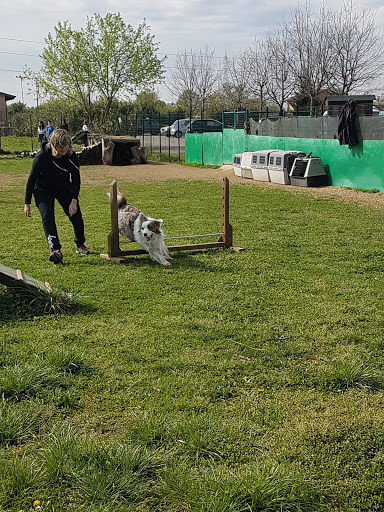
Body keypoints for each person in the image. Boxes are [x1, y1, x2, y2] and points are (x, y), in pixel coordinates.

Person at [24, 129, 90, 264]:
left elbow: (76, 179)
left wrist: (74, 200)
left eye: (65, 146)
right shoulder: (41, 156)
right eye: (60, 147)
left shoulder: (71, 156)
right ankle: (55, 250)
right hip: (42, 189)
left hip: (63, 187)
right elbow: (31, 179)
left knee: (75, 214)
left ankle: (80, 245)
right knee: (47, 216)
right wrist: (27, 203)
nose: (63, 149)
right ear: (53, 145)